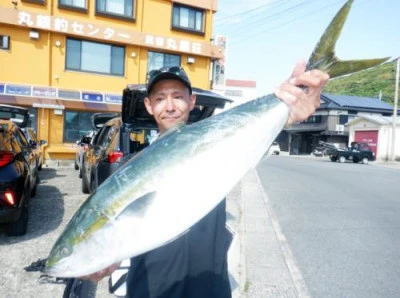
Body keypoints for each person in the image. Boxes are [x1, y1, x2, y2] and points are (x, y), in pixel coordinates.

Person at [83, 61, 329, 298]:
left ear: (192, 102)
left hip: (211, 290)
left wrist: (288, 109)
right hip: (150, 291)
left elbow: (254, 136)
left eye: (178, 97)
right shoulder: (128, 168)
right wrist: (105, 259)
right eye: (160, 99)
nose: (169, 106)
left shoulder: (215, 148)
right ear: (148, 105)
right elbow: (118, 234)